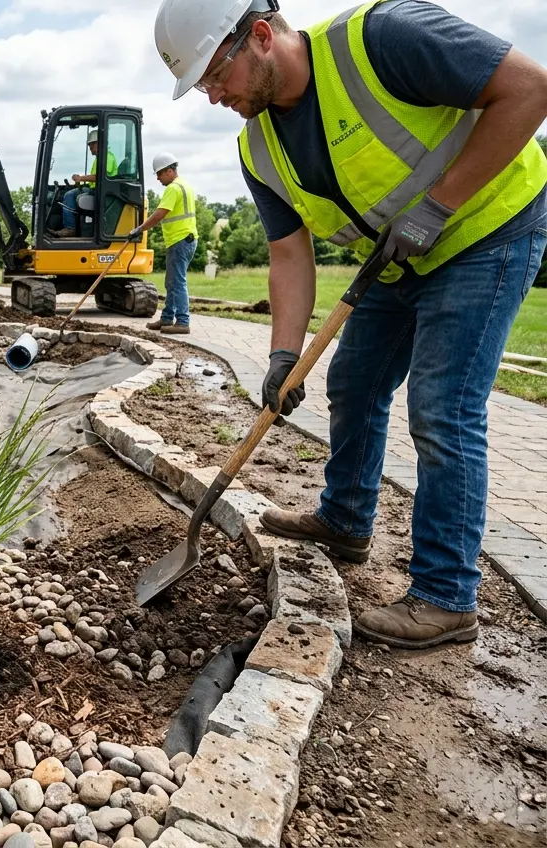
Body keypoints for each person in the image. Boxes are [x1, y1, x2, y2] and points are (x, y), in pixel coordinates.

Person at [154, 0, 547, 648]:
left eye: (213, 76)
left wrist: (438, 207)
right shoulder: (258, 148)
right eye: (200, 85)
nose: (211, 95)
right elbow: (288, 255)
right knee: (355, 382)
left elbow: (530, 89)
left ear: (258, 36)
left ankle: (447, 597)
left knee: (443, 407)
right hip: (396, 259)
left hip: (487, 230)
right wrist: (281, 357)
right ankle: (345, 519)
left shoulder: (383, 38)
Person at [127, 152, 200, 334]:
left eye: (159, 174)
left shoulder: (173, 189)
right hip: (186, 240)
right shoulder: (186, 186)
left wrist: (139, 229)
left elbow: (159, 214)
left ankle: (182, 322)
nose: (158, 178)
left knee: (177, 282)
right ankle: (167, 318)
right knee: (172, 282)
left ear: (169, 171)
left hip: (180, 240)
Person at [53, 129, 118, 237]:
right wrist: (80, 183)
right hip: (95, 190)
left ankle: (70, 228)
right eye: (89, 145)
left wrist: (81, 178)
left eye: (92, 144)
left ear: (100, 143)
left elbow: (99, 177)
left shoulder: (107, 157)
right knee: (72, 193)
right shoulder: (100, 158)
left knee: (69, 195)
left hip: (102, 192)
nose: (90, 148)